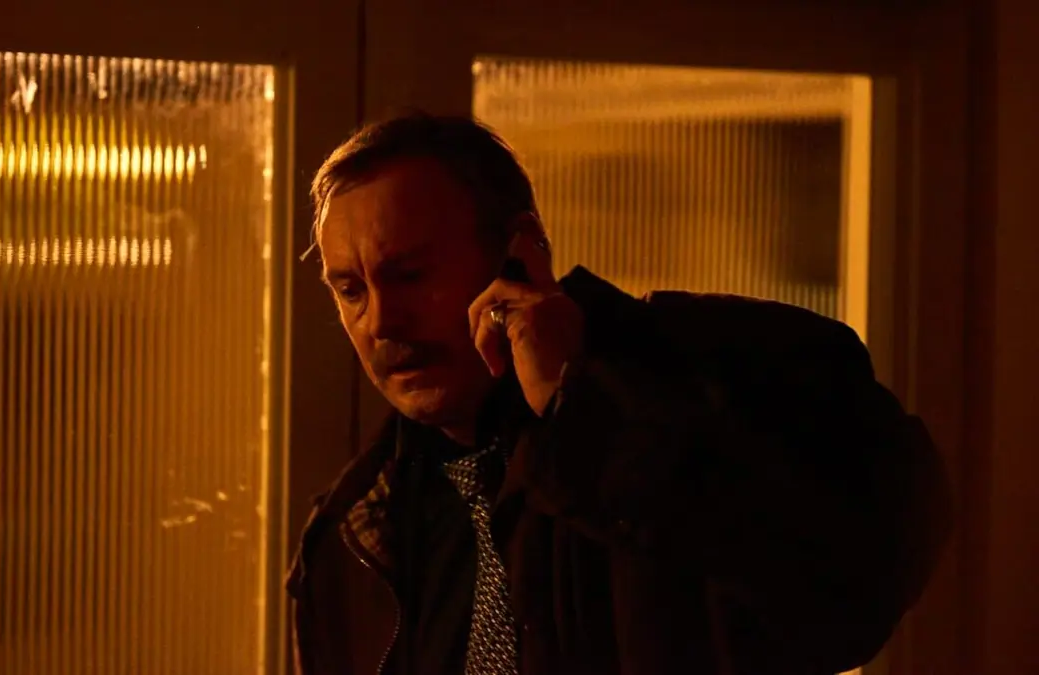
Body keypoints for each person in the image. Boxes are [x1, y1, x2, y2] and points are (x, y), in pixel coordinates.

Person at [285, 113, 951, 675]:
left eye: (410, 274)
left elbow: (854, 587)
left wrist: (578, 411)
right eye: (350, 289)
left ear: (521, 251)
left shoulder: (716, 371)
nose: (381, 321)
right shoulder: (358, 524)